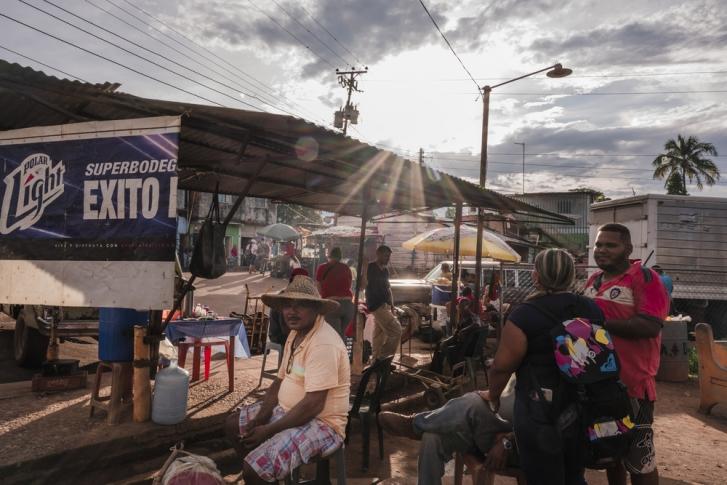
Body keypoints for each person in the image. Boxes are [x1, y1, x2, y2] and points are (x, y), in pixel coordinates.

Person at [484, 248, 605, 485]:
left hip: (539, 411)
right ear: (572, 276)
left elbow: (501, 366)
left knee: (542, 476)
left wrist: (493, 395)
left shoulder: (525, 315)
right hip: (583, 406)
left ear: (536, 277)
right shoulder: (592, 309)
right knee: (573, 473)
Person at [225, 275, 350, 484]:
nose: (292, 311)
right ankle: (267, 472)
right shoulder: (296, 333)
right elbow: (279, 381)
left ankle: (260, 470)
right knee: (233, 425)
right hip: (289, 411)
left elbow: (313, 405)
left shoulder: (323, 344)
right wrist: (261, 417)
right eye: (287, 306)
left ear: (316, 309)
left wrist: (268, 430)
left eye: (300, 305)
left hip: (323, 423)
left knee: (253, 470)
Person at [584, 224, 669, 485]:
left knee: (640, 459)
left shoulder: (643, 278)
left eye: (611, 245)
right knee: (611, 453)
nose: (602, 250)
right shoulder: (593, 281)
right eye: (599, 245)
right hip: (599, 388)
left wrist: (598, 323)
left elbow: (650, 324)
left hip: (633, 387)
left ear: (628, 249)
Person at [378, 375, 517, 485]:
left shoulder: (537, 382)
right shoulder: (520, 368)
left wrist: (508, 440)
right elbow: (503, 397)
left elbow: (536, 434)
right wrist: (488, 396)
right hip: (487, 432)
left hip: (510, 448)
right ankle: (419, 425)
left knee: (472, 403)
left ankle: (414, 424)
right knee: (431, 436)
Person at [364, 245, 402, 361]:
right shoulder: (370, 267)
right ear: (378, 254)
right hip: (376, 305)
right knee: (396, 330)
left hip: (384, 305)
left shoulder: (385, 270)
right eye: (386, 256)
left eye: (389, 256)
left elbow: (388, 288)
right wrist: (364, 267)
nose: (388, 258)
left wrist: (392, 305)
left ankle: (375, 361)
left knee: (378, 336)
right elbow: (363, 284)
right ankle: (384, 359)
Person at [315, 247, 354, 339]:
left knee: (335, 337)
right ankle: (343, 352)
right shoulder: (346, 268)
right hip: (348, 306)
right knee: (344, 336)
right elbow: (349, 285)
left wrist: (324, 296)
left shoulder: (322, 267)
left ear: (329, 256)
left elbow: (318, 286)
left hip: (332, 305)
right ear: (340, 257)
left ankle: (339, 353)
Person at [267, 268, 310, 346]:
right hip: (280, 336)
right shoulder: (284, 298)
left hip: (287, 334)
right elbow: (285, 328)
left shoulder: (299, 297)